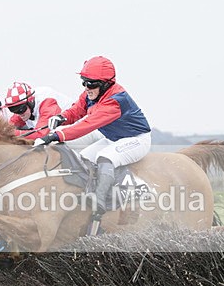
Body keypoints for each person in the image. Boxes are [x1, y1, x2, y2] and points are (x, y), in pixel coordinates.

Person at [33, 56, 152, 233]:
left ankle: (100, 202)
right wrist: (62, 117)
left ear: (105, 84)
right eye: (84, 83)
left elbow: (87, 124)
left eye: (91, 84)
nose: (87, 88)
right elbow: (78, 110)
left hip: (136, 139)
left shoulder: (116, 100)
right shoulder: (92, 93)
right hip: (114, 138)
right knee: (84, 159)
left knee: (105, 158)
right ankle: (85, 197)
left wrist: (56, 135)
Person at [0, 82, 72, 139]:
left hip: (76, 133)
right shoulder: (26, 107)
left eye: (21, 109)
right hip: (64, 132)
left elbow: (41, 135)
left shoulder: (48, 104)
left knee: (50, 142)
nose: (19, 114)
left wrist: (13, 133)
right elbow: (8, 127)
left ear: (30, 102)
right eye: (13, 110)